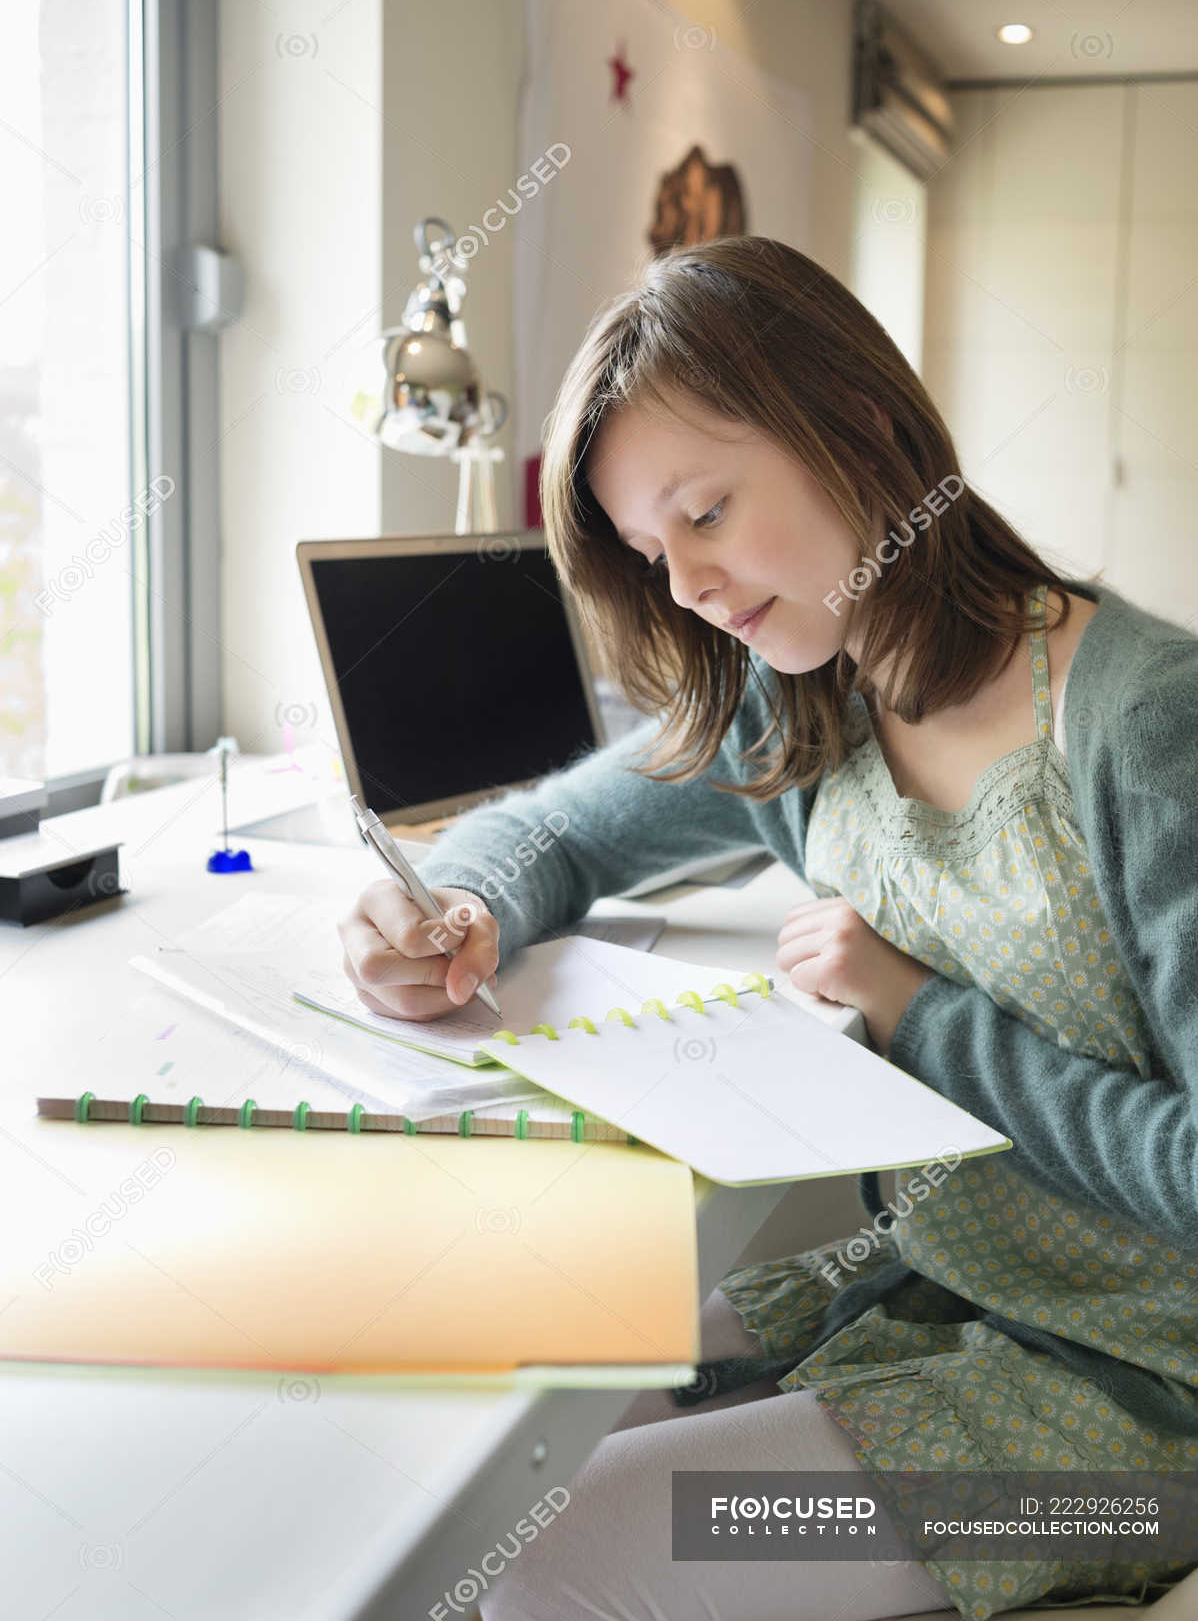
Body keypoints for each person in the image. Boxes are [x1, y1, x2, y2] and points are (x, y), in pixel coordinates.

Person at [337, 236, 1198, 1621]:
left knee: (555, 1559)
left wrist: (920, 1014)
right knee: (494, 1431)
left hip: (1152, 1431)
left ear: (856, 428)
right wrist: (454, 906)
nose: (684, 584)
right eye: (645, 549)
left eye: (707, 512)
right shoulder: (806, 694)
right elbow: (559, 827)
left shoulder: (1146, 729)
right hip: (941, 1301)